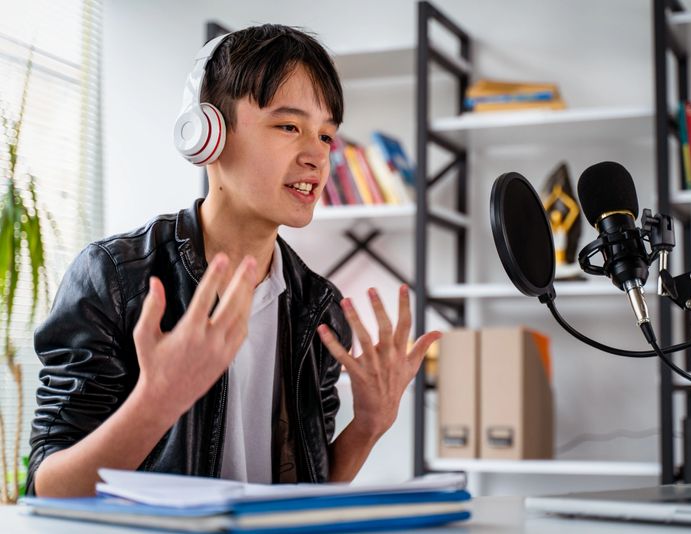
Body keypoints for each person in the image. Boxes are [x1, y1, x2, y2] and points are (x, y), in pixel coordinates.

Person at [26, 23, 441, 497]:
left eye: (326, 136)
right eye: (289, 126)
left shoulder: (318, 308)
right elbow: (47, 488)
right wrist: (155, 405)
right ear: (207, 134)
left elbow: (306, 496)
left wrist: (369, 424)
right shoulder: (115, 278)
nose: (317, 156)